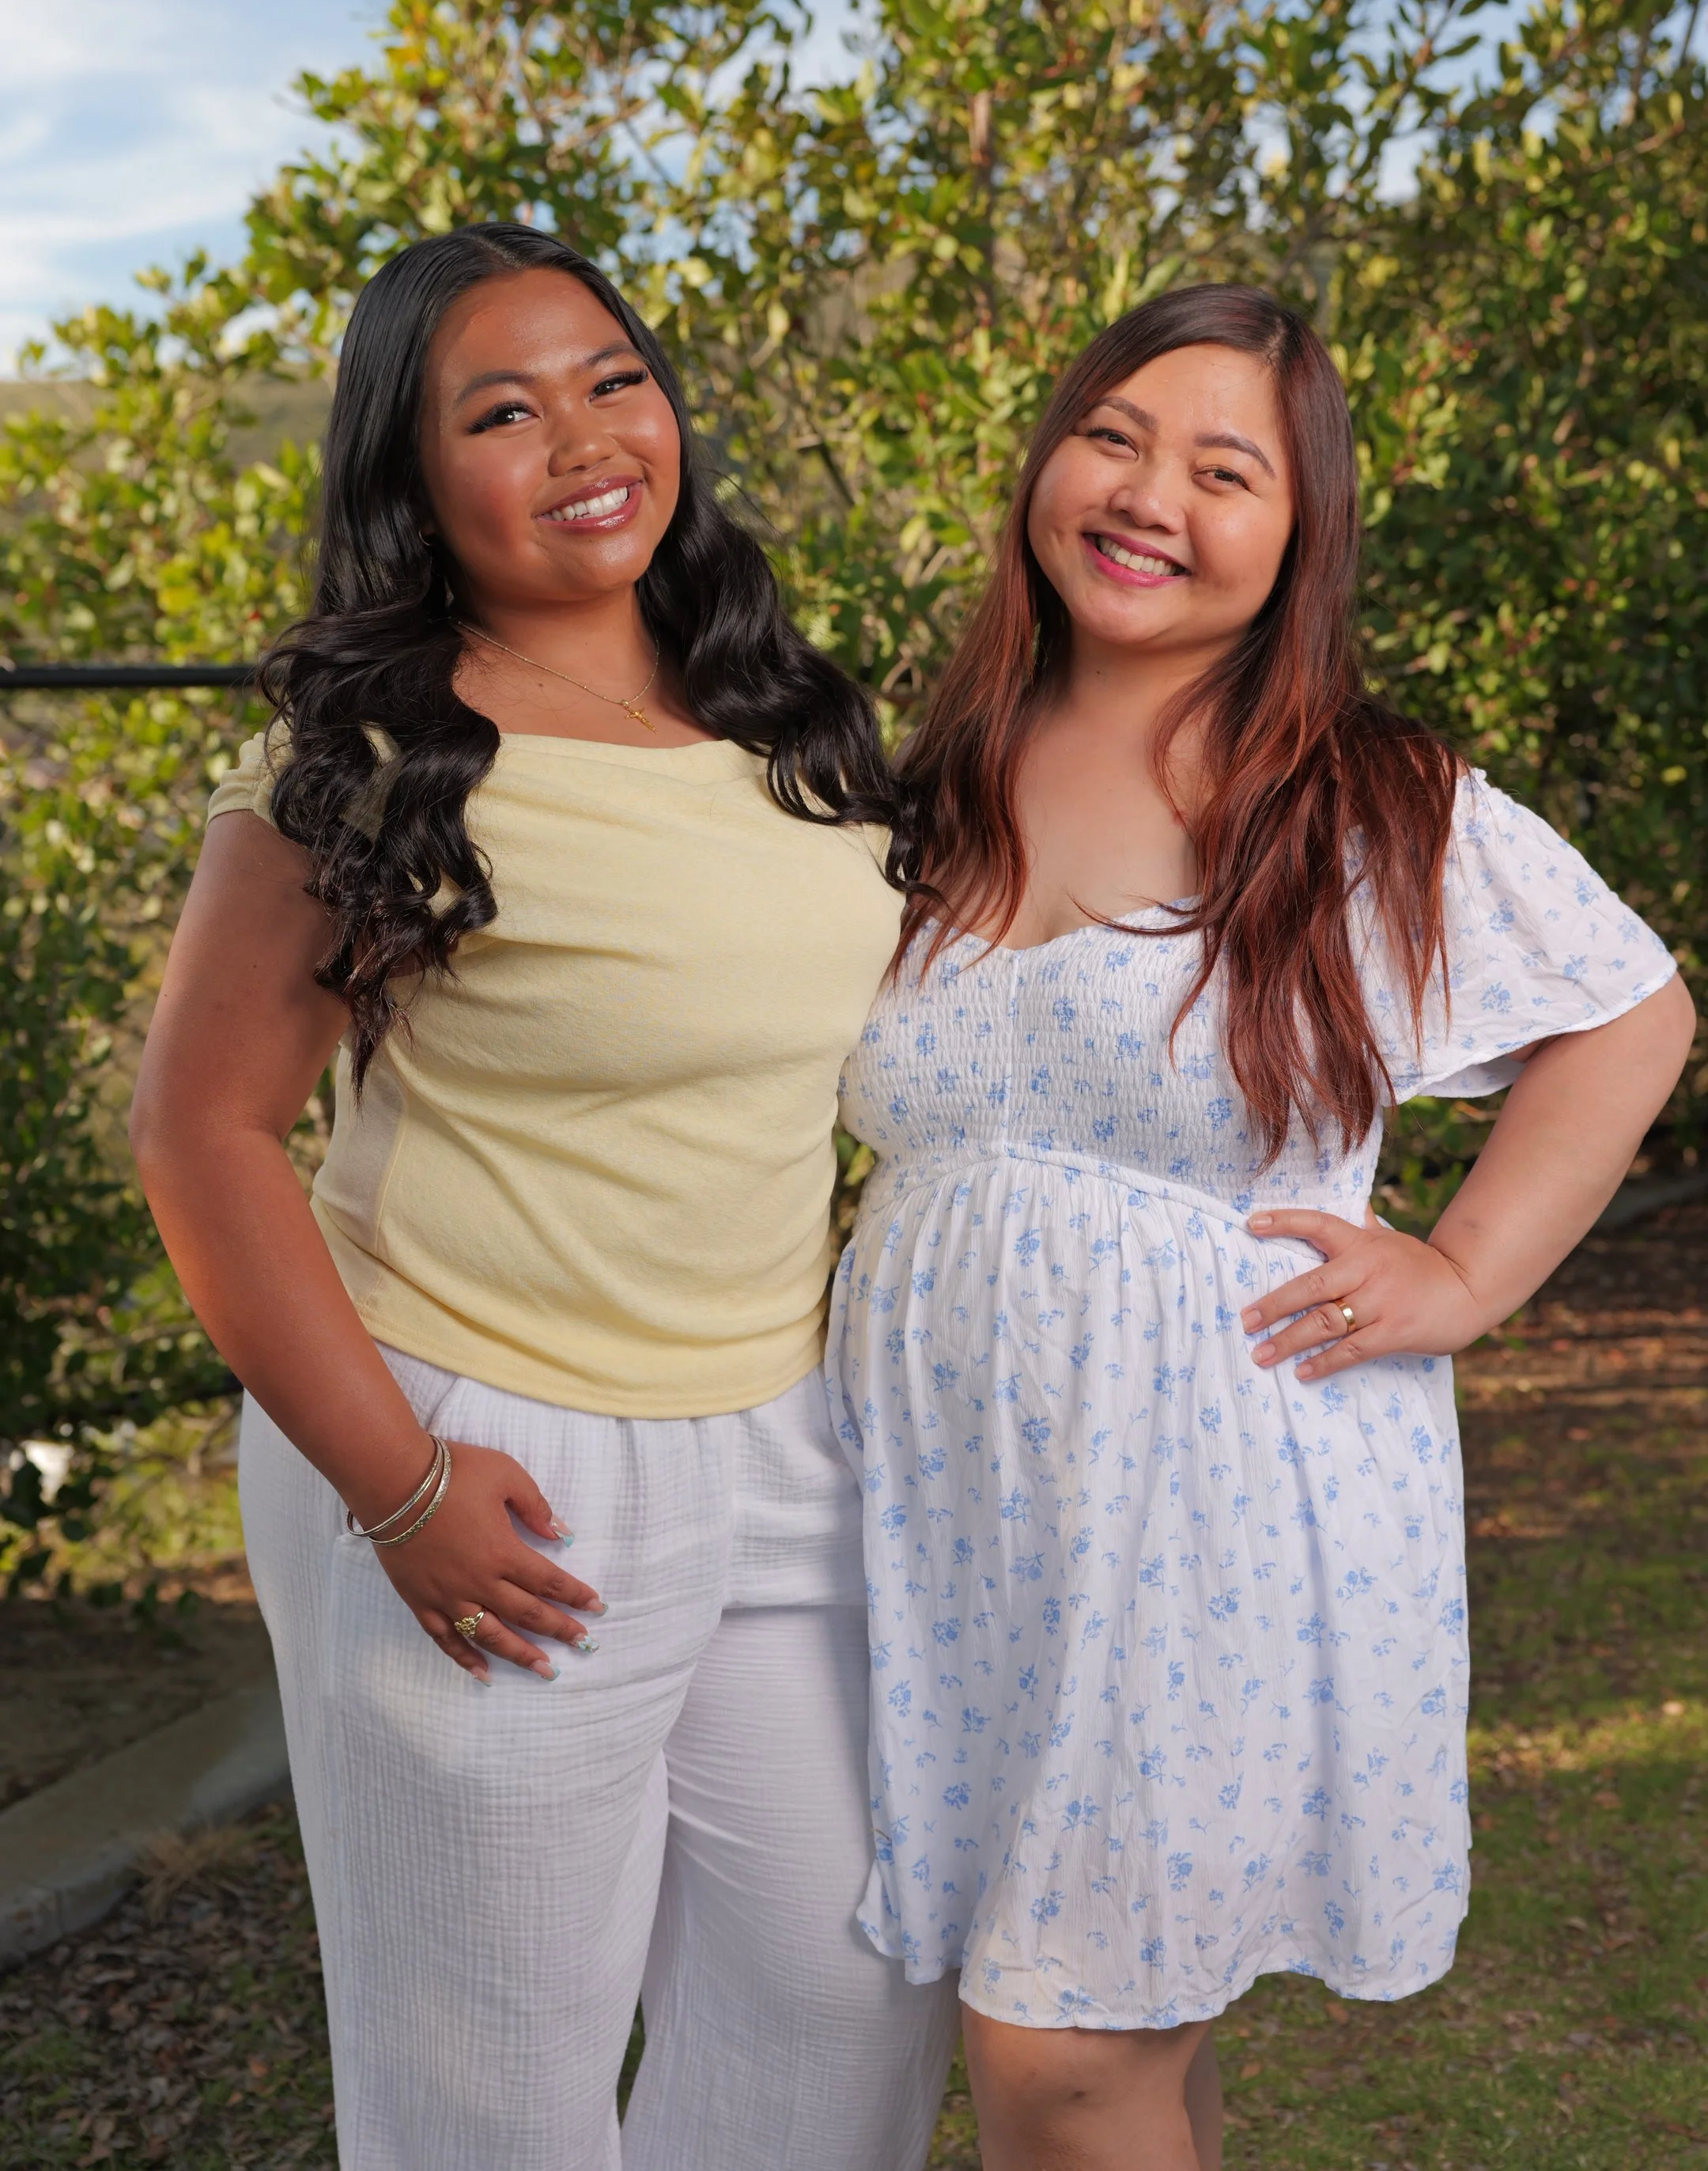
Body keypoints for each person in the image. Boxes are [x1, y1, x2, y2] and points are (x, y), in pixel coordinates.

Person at [826, 283, 1693, 2171]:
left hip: (1203, 1506)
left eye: (1227, 471)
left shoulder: (1360, 798)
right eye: (1116, 438)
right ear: (1047, 461)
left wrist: (1462, 1274)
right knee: (1124, 2033)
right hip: (958, 1513)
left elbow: (1632, 1011)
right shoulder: (938, 772)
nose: (1150, 497)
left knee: (1059, 2056)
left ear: (1298, 540)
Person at [130, 222, 960, 2171]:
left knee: (842, 2003)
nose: (586, 437)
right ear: (415, 484)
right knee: (490, 2088)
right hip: (478, 1442)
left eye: (612, 378)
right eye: (501, 411)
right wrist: (399, 1489)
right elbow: (203, 1135)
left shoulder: (781, 724)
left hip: (780, 1435)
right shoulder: (376, 761)